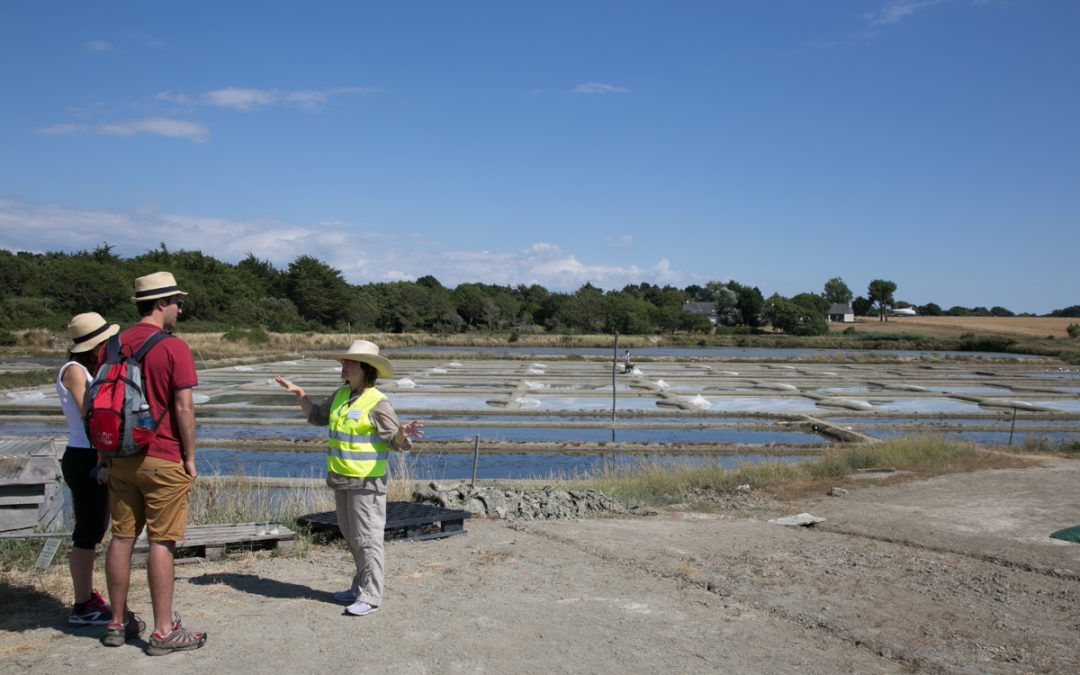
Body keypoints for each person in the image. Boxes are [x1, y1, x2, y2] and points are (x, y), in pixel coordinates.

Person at [275, 339, 423, 617]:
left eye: (349, 362)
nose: (343, 366)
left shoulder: (378, 402)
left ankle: (371, 595)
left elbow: (396, 443)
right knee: (353, 536)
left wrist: (402, 433)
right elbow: (318, 416)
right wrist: (300, 394)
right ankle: (359, 587)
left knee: (368, 539)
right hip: (342, 479)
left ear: (365, 368)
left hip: (367, 482)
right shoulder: (341, 394)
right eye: (343, 361)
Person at [101, 271, 207, 655]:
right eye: (177, 301)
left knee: (122, 537)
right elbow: (183, 407)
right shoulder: (172, 347)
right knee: (161, 542)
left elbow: (98, 406)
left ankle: (117, 621)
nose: (180, 308)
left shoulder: (112, 344)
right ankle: (163, 631)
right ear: (161, 304)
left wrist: (104, 456)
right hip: (161, 456)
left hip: (119, 457)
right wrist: (190, 457)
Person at [58, 312, 120, 626]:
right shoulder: (74, 370)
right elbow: (91, 414)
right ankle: (82, 605)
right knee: (87, 531)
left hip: (94, 454)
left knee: (96, 528)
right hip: (85, 457)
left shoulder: (88, 369)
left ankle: (87, 597)